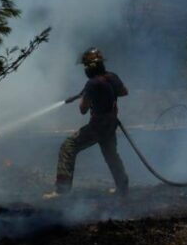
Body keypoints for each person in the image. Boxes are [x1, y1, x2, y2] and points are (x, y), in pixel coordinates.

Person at [44, 47, 129, 199]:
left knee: (68, 147)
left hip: (98, 123)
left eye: (85, 66)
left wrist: (87, 96)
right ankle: (122, 187)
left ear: (90, 67)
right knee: (110, 154)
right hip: (111, 121)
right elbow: (124, 92)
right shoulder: (112, 77)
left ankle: (62, 191)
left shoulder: (92, 83)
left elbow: (83, 109)